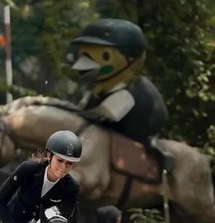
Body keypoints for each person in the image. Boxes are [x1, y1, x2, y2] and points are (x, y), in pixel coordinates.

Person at [70, 18, 171, 169]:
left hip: (133, 139)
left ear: (131, 60)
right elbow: (79, 112)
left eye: (105, 56)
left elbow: (101, 115)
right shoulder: (96, 89)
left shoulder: (131, 92)